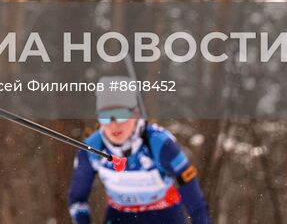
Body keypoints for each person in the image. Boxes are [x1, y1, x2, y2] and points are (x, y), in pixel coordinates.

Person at [67, 81, 212, 224]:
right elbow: (78, 199)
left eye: (121, 115)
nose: (114, 124)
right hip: (119, 217)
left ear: (135, 114)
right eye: (106, 116)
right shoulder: (92, 148)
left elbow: (193, 196)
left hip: (165, 215)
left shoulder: (160, 144)